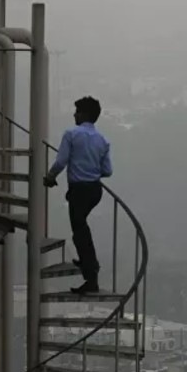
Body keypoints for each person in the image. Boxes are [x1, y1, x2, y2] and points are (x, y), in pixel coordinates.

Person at [44, 96, 113, 294]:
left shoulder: (71, 134)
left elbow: (61, 161)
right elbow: (107, 171)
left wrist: (50, 177)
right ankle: (87, 262)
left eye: (77, 111)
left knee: (80, 230)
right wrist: (91, 168)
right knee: (81, 227)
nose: (74, 114)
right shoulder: (102, 140)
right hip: (94, 190)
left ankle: (91, 277)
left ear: (84, 114)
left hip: (79, 190)